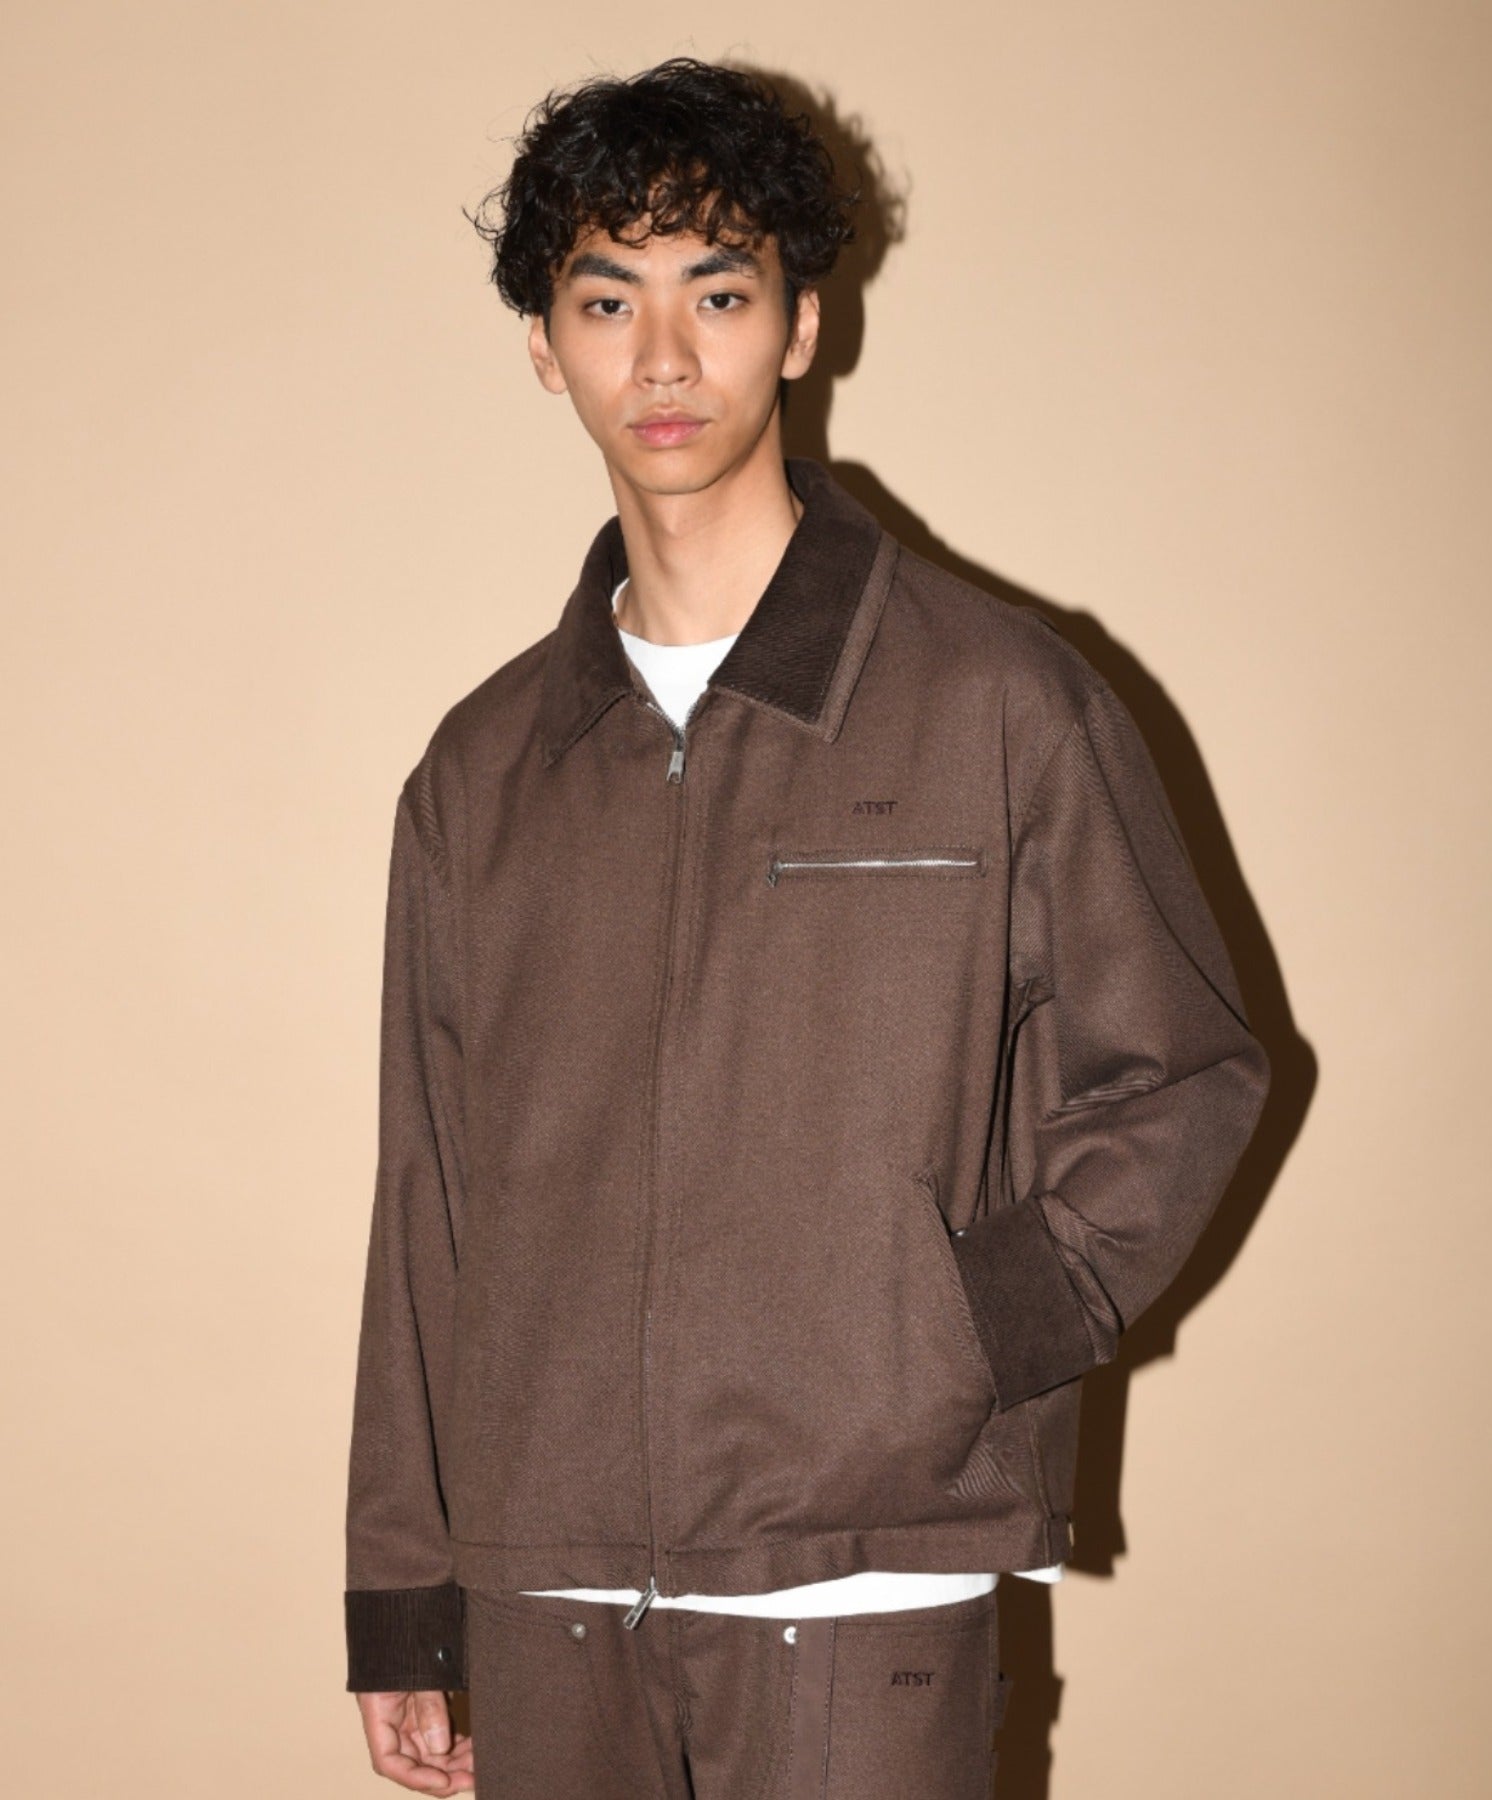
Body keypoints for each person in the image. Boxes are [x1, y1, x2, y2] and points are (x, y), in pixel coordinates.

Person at [341, 55, 1271, 1799]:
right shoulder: (482, 773)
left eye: (718, 294)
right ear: (544, 344)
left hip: (868, 1575)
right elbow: (428, 1195)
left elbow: (1184, 1071)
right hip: (549, 1592)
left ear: (801, 325)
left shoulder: (997, 704)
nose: (663, 358)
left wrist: (956, 1329)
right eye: (607, 301)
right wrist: (405, 1590)